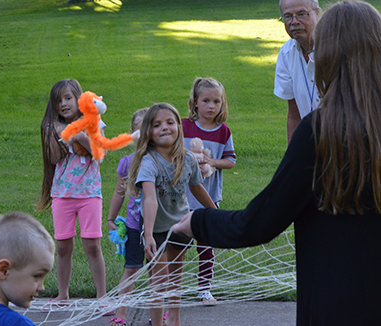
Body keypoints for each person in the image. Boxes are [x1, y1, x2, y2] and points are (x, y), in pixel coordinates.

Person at [173, 1, 381, 324]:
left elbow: (258, 223)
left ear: (327, 56)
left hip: (335, 305)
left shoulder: (319, 133)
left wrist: (196, 222)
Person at [127, 103, 217, 326]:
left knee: (176, 277)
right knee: (159, 280)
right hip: (155, 230)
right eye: (157, 125)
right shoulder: (149, 162)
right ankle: (157, 323)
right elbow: (149, 199)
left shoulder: (187, 159)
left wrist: (216, 214)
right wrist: (147, 235)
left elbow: (197, 187)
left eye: (170, 122)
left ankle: (174, 320)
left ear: (179, 126)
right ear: (148, 132)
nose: (164, 128)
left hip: (180, 226)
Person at [37, 79, 109, 305]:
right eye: (58, 101)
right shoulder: (54, 127)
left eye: (68, 98)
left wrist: (79, 136)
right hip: (62, 194)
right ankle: (63, 295)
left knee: (92, 244)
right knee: (63, 245)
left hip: (89, 194)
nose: (63, 104)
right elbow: (53, 158)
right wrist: (54, 134)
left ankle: (102, 296)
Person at [182, 77, 236, 305]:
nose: (211, 106)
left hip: (208, 199)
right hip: (181, 199)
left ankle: (204, 289)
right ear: (195, 103)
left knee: (206, 248)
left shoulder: (223, 132)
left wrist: (211, 162)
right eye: (206, 101)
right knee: (178, 247)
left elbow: (230, 161)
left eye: (217, 101)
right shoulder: (184, 126)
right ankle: (173, 287)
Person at [107, 108, 148, 326]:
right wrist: (111, 218)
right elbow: (119, 192)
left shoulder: (164, 160)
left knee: (160, 271)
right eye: (140, 133)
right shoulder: (127, 162)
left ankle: (161, 314)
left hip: (159, 227)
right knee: (131, 268)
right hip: (134, 225)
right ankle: (121, 312)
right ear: (131, 133)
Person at [274, 0, 322, 143]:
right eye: (288, 16)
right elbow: (294, 114)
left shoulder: (338, 48)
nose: (294, 22)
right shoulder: (286, 54)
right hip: (310, 142)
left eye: (302, 14)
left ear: (318, 13)